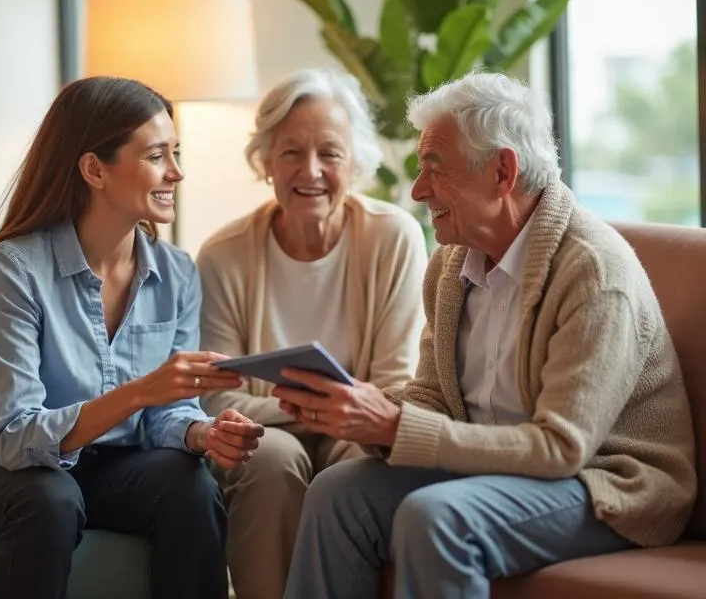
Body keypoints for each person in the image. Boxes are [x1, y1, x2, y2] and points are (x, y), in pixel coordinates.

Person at [274, 72, 698, 599]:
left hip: (604, 481)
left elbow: (561, 448)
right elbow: (432, 399)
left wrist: (394, 424)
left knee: (437, 518)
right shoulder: (451, 266)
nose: (417, 190)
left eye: (435, 169)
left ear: (502, 171)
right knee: (338, 492)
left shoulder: (593, 271)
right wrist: (356, 412)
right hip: (500, 469)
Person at [0, 76, 265, 599]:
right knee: (50, 499)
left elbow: (169, 415)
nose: (176, 172)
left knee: (190, 485)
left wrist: (203, 433)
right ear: (94, 169)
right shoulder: (18, 266)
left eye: (175, 153)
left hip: (108, 463)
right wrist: (141, 390)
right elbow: (16, 440)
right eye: (157, 156)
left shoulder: (176, 273)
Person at [196, 68, 428, 599]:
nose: (312, 171)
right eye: (291, 152)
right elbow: (217, 393)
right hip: (266, 435)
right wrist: (314, 408)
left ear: (356, 161)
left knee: (360, 463)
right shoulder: (223, 254)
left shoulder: (394, 237)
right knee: (269, 460)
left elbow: (397, 383)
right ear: (265, 161)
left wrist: (341, 414)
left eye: (330, 152)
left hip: (358, 430)